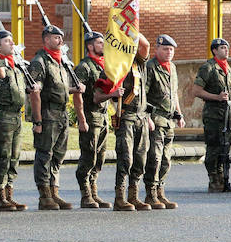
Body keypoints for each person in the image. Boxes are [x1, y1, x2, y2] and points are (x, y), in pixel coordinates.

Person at [29, 25, 85, 210]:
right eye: (55, 37)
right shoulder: (40, 61)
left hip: (61, 114)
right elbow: (35, 91)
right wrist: (37, 121)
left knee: (58, 155)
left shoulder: (61, 62)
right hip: (47, 113)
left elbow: (59, 88)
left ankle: (54, 192)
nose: (60, 40)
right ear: (46, 40)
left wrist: (74, 90)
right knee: (45, 154)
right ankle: (44, 195)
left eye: (61, 37)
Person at [73, 31, 119, 208]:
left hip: (102, 116)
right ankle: (85, 195)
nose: (104, 46)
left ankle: (93, 191)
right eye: (100, 43)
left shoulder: (103, 66)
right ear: (90, 46)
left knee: (100, 156)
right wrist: (81, 119)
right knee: (89, 156)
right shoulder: (84, 67)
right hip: (90, 116)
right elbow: (78, 95)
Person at [0, 29, 33, 212]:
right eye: (7, 41)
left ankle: (9, 194)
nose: (12, 44)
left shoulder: (14, 64)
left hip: (16, 116)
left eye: (12, 41)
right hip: (2, 115)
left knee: (14, 157)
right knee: (3, 156)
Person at [108, 33, 153, 211]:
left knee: (140, 158)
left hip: (141, 117)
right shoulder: (116, 65)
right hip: (126, 117)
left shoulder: (139, 64)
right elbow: (102, 91)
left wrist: (131, 28)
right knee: (126, 158)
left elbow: (146, 45)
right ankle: (120, 197)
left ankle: (133, 196)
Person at [144, 34, 186, 209]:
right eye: (165, 49)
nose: (169, 52)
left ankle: (160, 191)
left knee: (166, 158)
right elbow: (143, 94)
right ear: (157, 49)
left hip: (168, 120)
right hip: (156, 118)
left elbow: (173, 92)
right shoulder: (150, 67)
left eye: (171, 50)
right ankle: (151, 194)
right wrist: (147, 118)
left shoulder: (172, 68)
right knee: (155, 156)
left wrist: (179, 114)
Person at [194, 38, 231, 192]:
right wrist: (217, 97)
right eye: (222, 47)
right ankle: (214, 180)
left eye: (227, 47)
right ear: (214, 50)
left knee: (225, 147)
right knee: (214, 146)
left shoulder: (228, 69)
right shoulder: (208, 68)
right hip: (213, 115)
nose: (226, 50)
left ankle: (223, 180)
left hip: (227, 116)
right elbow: (196, 91)